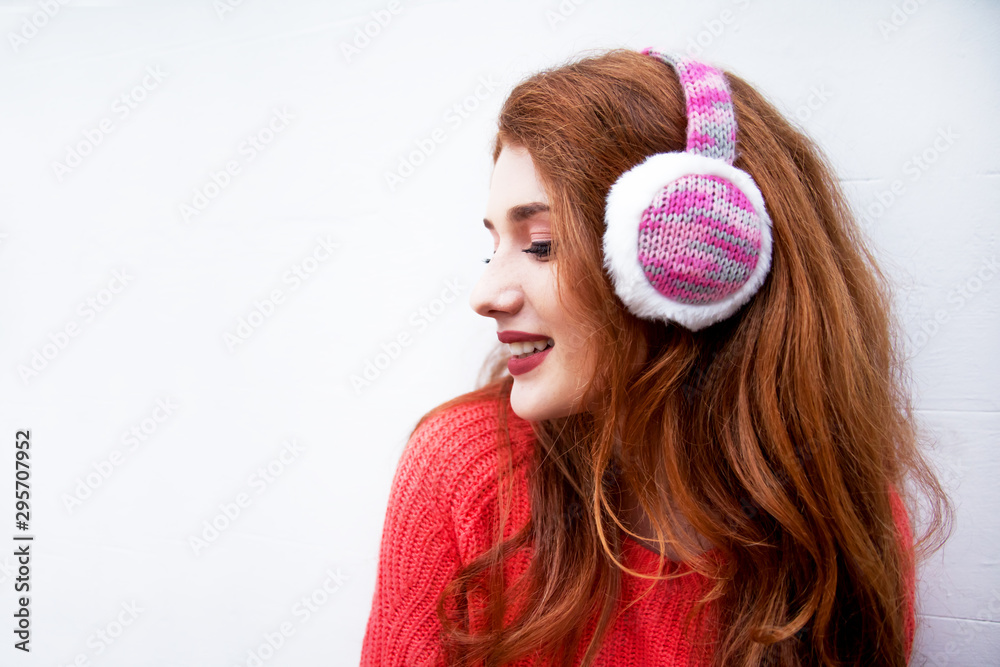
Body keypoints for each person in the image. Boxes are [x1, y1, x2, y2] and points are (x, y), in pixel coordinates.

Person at [360, 47, 952, 667]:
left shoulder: (837, 513)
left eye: (541, 245)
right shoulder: (465, 470)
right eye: (493, 247)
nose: (485, 296)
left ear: (695, 259)